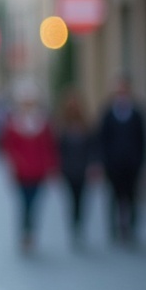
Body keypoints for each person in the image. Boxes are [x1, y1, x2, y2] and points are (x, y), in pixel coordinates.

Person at [0, 83, 57, 254]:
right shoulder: (13, 123)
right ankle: (25, 233)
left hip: (38, 171)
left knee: (35, 204)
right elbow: (7, 147)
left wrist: (51, 167)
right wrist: (13, 165)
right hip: (21, 172)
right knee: (23, 204)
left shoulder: (42, 122)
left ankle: (31, 232)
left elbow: (49, 147)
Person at [98, 74, 146, 246]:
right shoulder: (108, 113)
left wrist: (142, 163)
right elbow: (102, 139)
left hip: (132, 164)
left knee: (132, 197)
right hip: (113, 165)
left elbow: (143, 140)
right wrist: (103, 162)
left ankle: (131, 228)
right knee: (114, 197)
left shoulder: (137, 113)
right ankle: (114, 229)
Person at [53, 89, 97, 248]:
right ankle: (73, 226)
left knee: (82, 199)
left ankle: (79, 225)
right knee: (71, 200)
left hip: (83, 168)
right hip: (67, 169)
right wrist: (56, 168)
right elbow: (56, 148)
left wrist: (93, 164)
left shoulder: (86, 124)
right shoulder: (61, 125)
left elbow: (93, 146)